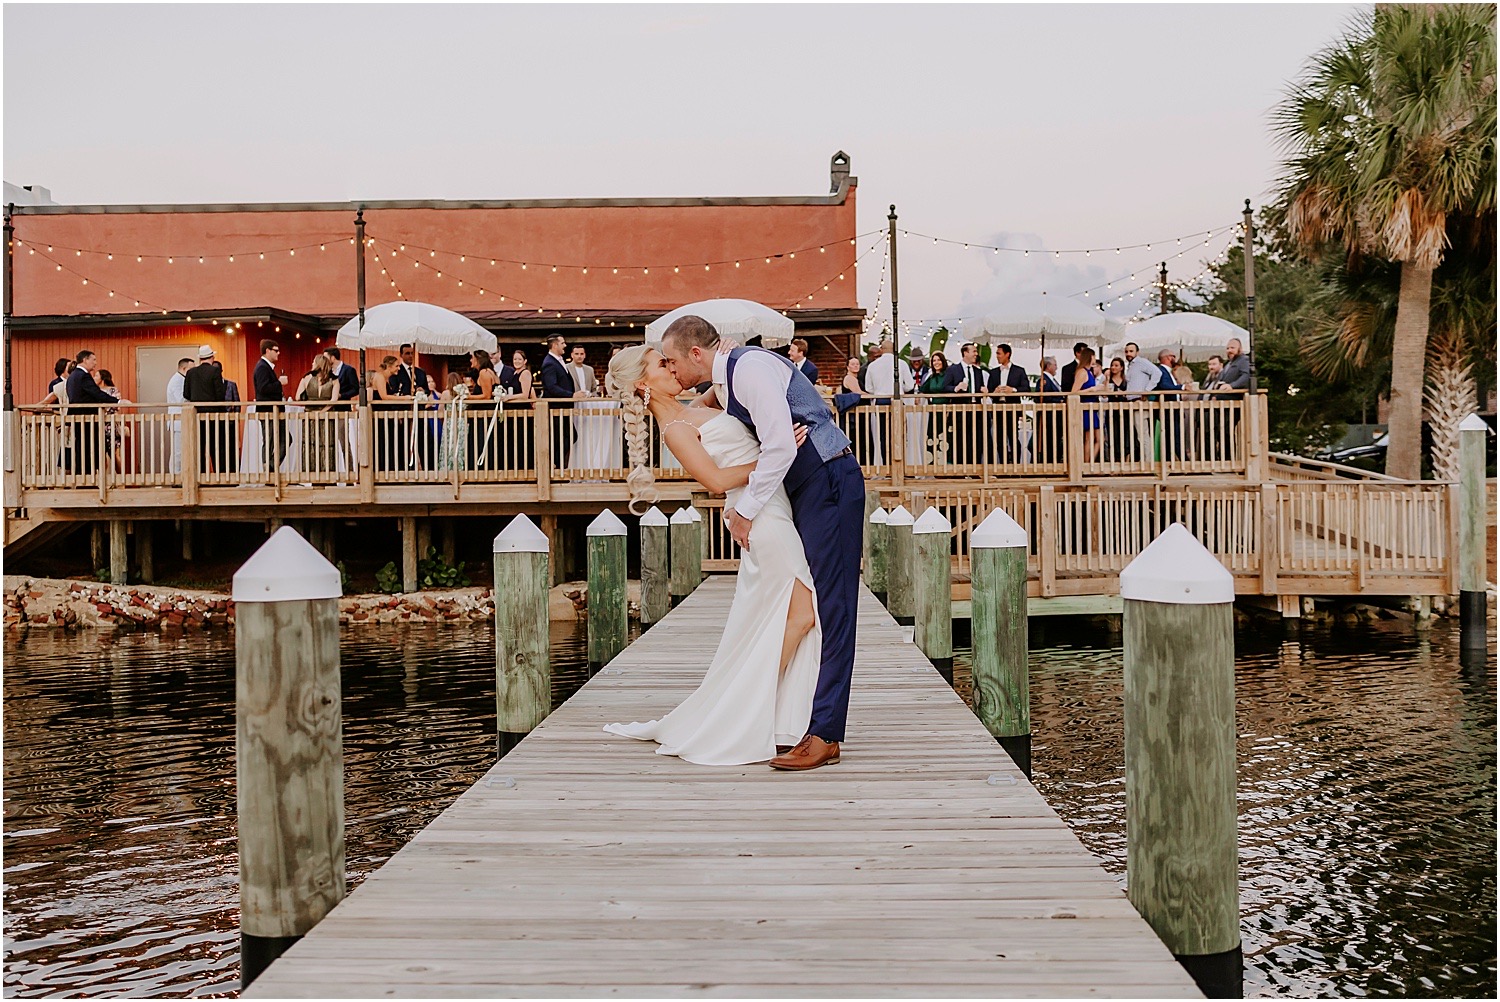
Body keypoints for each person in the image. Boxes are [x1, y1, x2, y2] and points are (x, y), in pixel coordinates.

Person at [654, 315, 863, 771]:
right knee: (814, 604)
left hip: (827, 478)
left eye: (672, 360)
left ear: (695, 354)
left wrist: (743, 510)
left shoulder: (746, 371)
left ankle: (825, 733)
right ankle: (801, 721)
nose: (671, 370)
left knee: (833, 605)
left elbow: (781, 447)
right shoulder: (727, 378)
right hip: (800, 490)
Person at [64, 350, 120, 474]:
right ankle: (88, 477)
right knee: (89, 448)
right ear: (85, 360)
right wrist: (117, 402)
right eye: (93, 360)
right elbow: (96, 393)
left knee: (81, 447)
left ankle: (83, 476)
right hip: (87, 418)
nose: (95, 363)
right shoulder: (83, 376)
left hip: (78, 417)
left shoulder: (72, 376)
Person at [184, 345, 235, 475]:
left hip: (196, 415)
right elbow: (220, 394)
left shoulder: (191, 373)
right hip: (214, 416)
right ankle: (220, 475)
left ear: (200, 358)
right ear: (212, 357)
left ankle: (199, 475)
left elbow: (186, 394)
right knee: (217, 447)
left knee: (199, 447)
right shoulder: (214, 372)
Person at [540, 335, 581, 471]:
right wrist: (571, 395)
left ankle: (559, 465)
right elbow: (552, 387)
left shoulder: (558, 361)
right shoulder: (549, 363)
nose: (565, 345)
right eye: (562, 343)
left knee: (568, 437)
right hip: (557, 408)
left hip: (564, 408)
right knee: (561, 439)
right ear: (555, 345)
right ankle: (556, 466)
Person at [986, 342, 1030, 464]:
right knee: (999, 439)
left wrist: (1013, 390)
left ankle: (1016, 466)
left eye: (999, 353)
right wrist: (994, 392)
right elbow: (989, 391)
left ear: (1007, 354)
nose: (997, 356)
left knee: (1013, 437)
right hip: (998, 409)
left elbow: (1026, 388)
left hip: (1012, 408)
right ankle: (1003, 465)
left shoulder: (1019, 371)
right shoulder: (993, 372)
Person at [298, 353, 340, 477]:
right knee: (327, 444)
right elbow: (334, 400)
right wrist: (322, 411)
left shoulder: (306, 378)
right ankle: (328, 474)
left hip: (309, 415)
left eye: (313, 362)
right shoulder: (334, 380)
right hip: (327, 415)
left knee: (310, 443)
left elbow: (297, 397)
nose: (312, 365)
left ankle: (310, 474)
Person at [1123, 341, 1162, 462]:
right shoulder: (1130, 365)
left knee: (1143, 433)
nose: (1128, 353)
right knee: (1139, 433)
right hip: (1131, 401)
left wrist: (1147, 390)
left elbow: (1157, 373)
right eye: (1126, 351)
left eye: (1131, 351)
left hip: (1139, 401)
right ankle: (1145, 459)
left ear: (1137, 352)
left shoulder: (1141, 362)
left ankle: (1148, 461)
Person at [253, 340, 287, 474]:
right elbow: (263, 388)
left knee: (284, 439)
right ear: (267, 351)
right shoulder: (262, 367)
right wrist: (279, 383)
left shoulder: (265, 367)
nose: (278, 353)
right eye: (276, 350)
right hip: (268, 411)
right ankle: (268, 470)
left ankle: (271, 466)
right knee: (270, 441)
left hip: (275, 411)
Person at [1071, 346, 1102, 463]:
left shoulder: (1089, 372)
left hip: (1092, 406)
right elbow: (1074, 391)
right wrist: (1092, 390)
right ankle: (1086, 463)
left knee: (1098, 438)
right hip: (1085, 407)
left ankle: (1090, 463)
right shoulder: (1082, 372)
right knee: (1089, 438)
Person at [1036, 354, 1064, 466]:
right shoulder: (1044, 380)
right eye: (1055, 365)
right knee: (1049, 440)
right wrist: (1059, 401)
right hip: (1048, 416)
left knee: (1055, 440)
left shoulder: (1052, 380)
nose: (1056, 367)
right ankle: (1048, 463)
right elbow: (1044, 397)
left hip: (1056, 416)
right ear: (1048, 366)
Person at [166, 356, 192, 475]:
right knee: (178, 451)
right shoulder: (176, 381)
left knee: (182, 450)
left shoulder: (181, 380)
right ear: (183, 368)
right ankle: (176, 476)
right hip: (178, 421)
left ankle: (180, 474)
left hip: (182, 420)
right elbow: (181, 400)